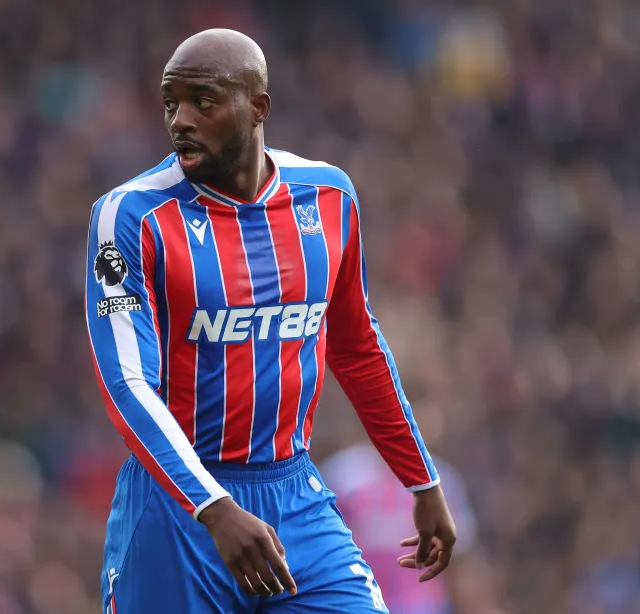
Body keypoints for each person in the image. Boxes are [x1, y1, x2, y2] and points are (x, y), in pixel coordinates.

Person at [85, 28, 457, 613]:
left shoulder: (328, 198)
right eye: (170, 102)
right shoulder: (130, 217)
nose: (180, 119)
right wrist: (212, 507)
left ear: (258, 107)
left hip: (294, 496)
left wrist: (421, 479)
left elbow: (357, 347)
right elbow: (126, 384)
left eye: (201, 101)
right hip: (176, 512)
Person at [320, 443, 504, 614]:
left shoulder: (440, 480)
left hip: (424, 607)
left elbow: (460, 560)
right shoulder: (342, 476)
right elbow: (321, 556)